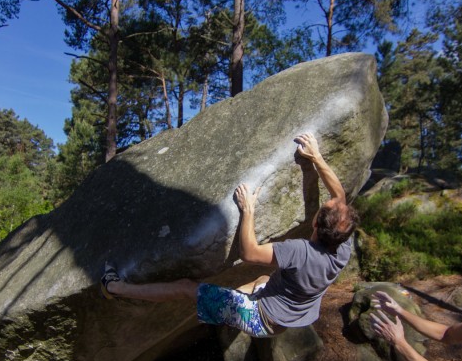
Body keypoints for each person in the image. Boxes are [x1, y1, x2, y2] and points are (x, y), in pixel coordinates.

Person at [100, 132, 358, 338]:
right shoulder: (341, 246)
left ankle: (114, 287)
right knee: (263, 278)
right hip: (290, 316)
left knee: (185, 287)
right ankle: (221, 304)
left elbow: (249, 252)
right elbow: (340, 198)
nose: (334, 200)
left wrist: (248, 210)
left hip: (259, 319)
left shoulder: (299, 252)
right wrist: (317, 157)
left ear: (315, 224)